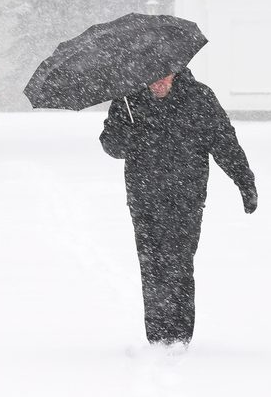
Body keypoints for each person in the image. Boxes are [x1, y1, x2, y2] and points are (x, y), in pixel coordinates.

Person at [100, 67, 257, 348]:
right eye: (152, 76)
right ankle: (158, 338)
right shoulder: (128, 99)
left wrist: (244, 182)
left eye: (164, 75)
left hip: (186, 196)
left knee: (179, 263)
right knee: (152, 266)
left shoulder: (199, 98)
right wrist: (124, 130)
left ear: (176, 72)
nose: (157, 82)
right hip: (143, 196)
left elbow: (224, 142)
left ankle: (180, 336)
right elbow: (112, 147)